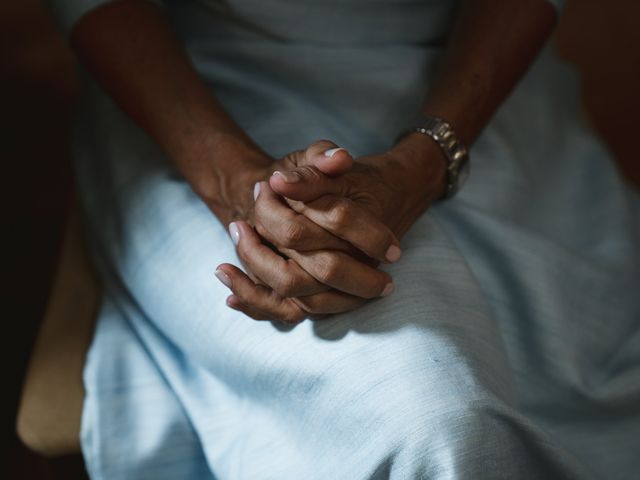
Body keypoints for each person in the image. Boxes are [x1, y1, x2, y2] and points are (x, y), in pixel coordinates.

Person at [46, 0, 640, 478]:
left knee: (541, 360)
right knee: (428, 414)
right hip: (187, 93)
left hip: (476, 81)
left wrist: (428, 160)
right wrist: (238, 182)